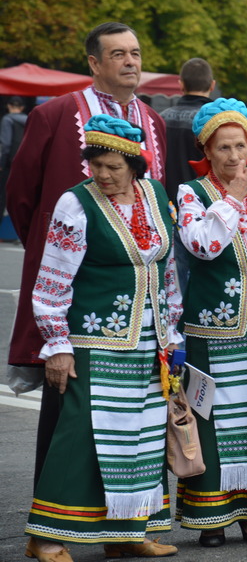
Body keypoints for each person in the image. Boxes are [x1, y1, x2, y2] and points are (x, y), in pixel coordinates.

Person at [5, 21, 167, 489]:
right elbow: (21, 195)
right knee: (71, 402)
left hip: (138, 292)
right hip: (74, 290)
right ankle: (56, 510)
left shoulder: (152, 121)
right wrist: (47, 246)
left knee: (138, 410)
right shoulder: (55, 115)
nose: (130, 62)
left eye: (135, 53)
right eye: (118, 54)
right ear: (94, 63)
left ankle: (128, 521)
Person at [23, 115, 180, 562]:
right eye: (96, 165)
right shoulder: (75, 205)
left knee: (142, 436)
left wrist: (169, 332)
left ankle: (129, 530)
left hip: (149, 341)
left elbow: (166, 270)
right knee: (83, 435)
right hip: (95, 341)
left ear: (136, 164)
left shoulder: (154, 196)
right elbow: (52, 281)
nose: (103, 175)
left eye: (113, 166)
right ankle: (46, 536)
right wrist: (57, 345)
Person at [172, 98, 247, 547]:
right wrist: (233, 200)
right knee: (214, 419)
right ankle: (211, 517)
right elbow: (202, 246)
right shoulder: (191, 193)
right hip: (213, 330)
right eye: (224, 148)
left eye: (241, 145)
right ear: (207, 149)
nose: (235, 157)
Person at [160, 57, 215, 292]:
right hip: (210, 210)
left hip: (167, 209)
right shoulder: (218, 121)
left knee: (175, 284)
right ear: (212, 85)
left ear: (180, 84)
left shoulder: (159, 119)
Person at [0, 96, 27, 226]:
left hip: (9, 164)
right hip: (24, 165)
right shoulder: (29, 120)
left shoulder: (7, 119)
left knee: (2, 197)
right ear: (22, 108)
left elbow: (6, 144)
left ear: (9, 106)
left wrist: (1, 163)